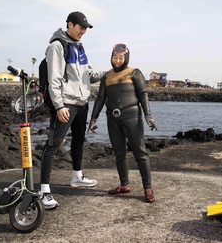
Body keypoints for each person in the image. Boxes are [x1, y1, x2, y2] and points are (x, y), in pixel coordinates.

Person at [40, 11, 106, 210]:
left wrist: (110, 72)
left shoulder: (79, 47)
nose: (83, 31)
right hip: (66, 103)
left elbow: (89, 75)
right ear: (69, 24)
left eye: (85, 28)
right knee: (52, 145)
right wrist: (59, 106)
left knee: (78, 141)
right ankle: (43, 191)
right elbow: (54, 79)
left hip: (81, 102)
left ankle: (77, 176)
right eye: (80, 27)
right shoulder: (57, 46)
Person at [87, 43, 158, 203]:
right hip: (113, 119)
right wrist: (93, 118)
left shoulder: (134, 73)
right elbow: (100, 98)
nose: (117, 60)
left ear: (126, 58)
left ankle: (148, 188)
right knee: (119, 153)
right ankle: (124, 184)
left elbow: (142, 94)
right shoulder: (107, 76)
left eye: (120, 57)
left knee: (140, 152)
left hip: (131, 118)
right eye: (114, 57)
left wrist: (148, 115)